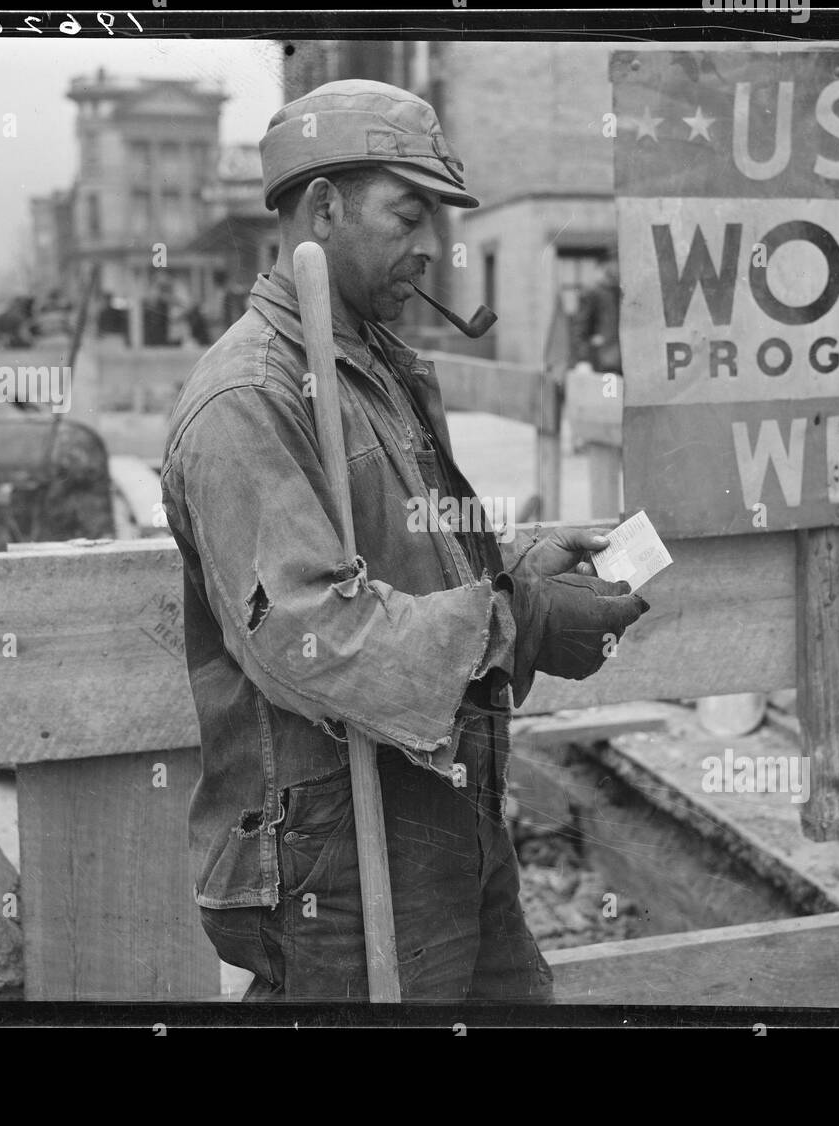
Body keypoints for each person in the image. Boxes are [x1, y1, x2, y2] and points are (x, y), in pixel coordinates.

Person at [160, 79, 649, 1003]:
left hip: (436, 811)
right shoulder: (250, 399)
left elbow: (423, 558)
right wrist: (520, 623)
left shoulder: (374, 371)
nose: (432, 247)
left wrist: (519, 571)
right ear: (323, 206)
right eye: (407, 214)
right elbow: (312, 636)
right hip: (335, 858)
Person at [571, 252, 622, 377]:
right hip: (603, 360)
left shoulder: (621, 292)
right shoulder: (592, 293)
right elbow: (580, 328)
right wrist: (583, 359)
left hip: (624, 360)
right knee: (609, 395)